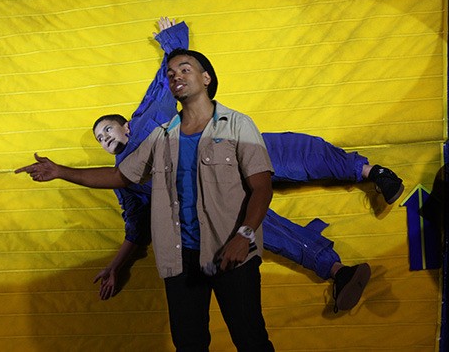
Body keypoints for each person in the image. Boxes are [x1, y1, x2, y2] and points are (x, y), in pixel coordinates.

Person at [91, 17, 402, 312]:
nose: (104, 137)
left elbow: (168, 77)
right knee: (270, 234)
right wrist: (115, 266)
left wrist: (171, 39)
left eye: (107, 128)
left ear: (125, 126)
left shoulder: (145, 117)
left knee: (296, 153)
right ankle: (340, 272)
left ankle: (374, 173)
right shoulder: (122, 177)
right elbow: (135, 227)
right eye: (99, 139)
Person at [16, 48, 276, 350]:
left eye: (184, 69)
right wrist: (60, 171)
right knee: (189, 344)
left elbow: (262, 187)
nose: (176, 75)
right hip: (180, 259)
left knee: (251, 340)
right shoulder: (162, 136)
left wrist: (243, 236)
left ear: (206, 78)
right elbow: (120, 176)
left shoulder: (237, 125)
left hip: (233, 251)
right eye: (170, 73)